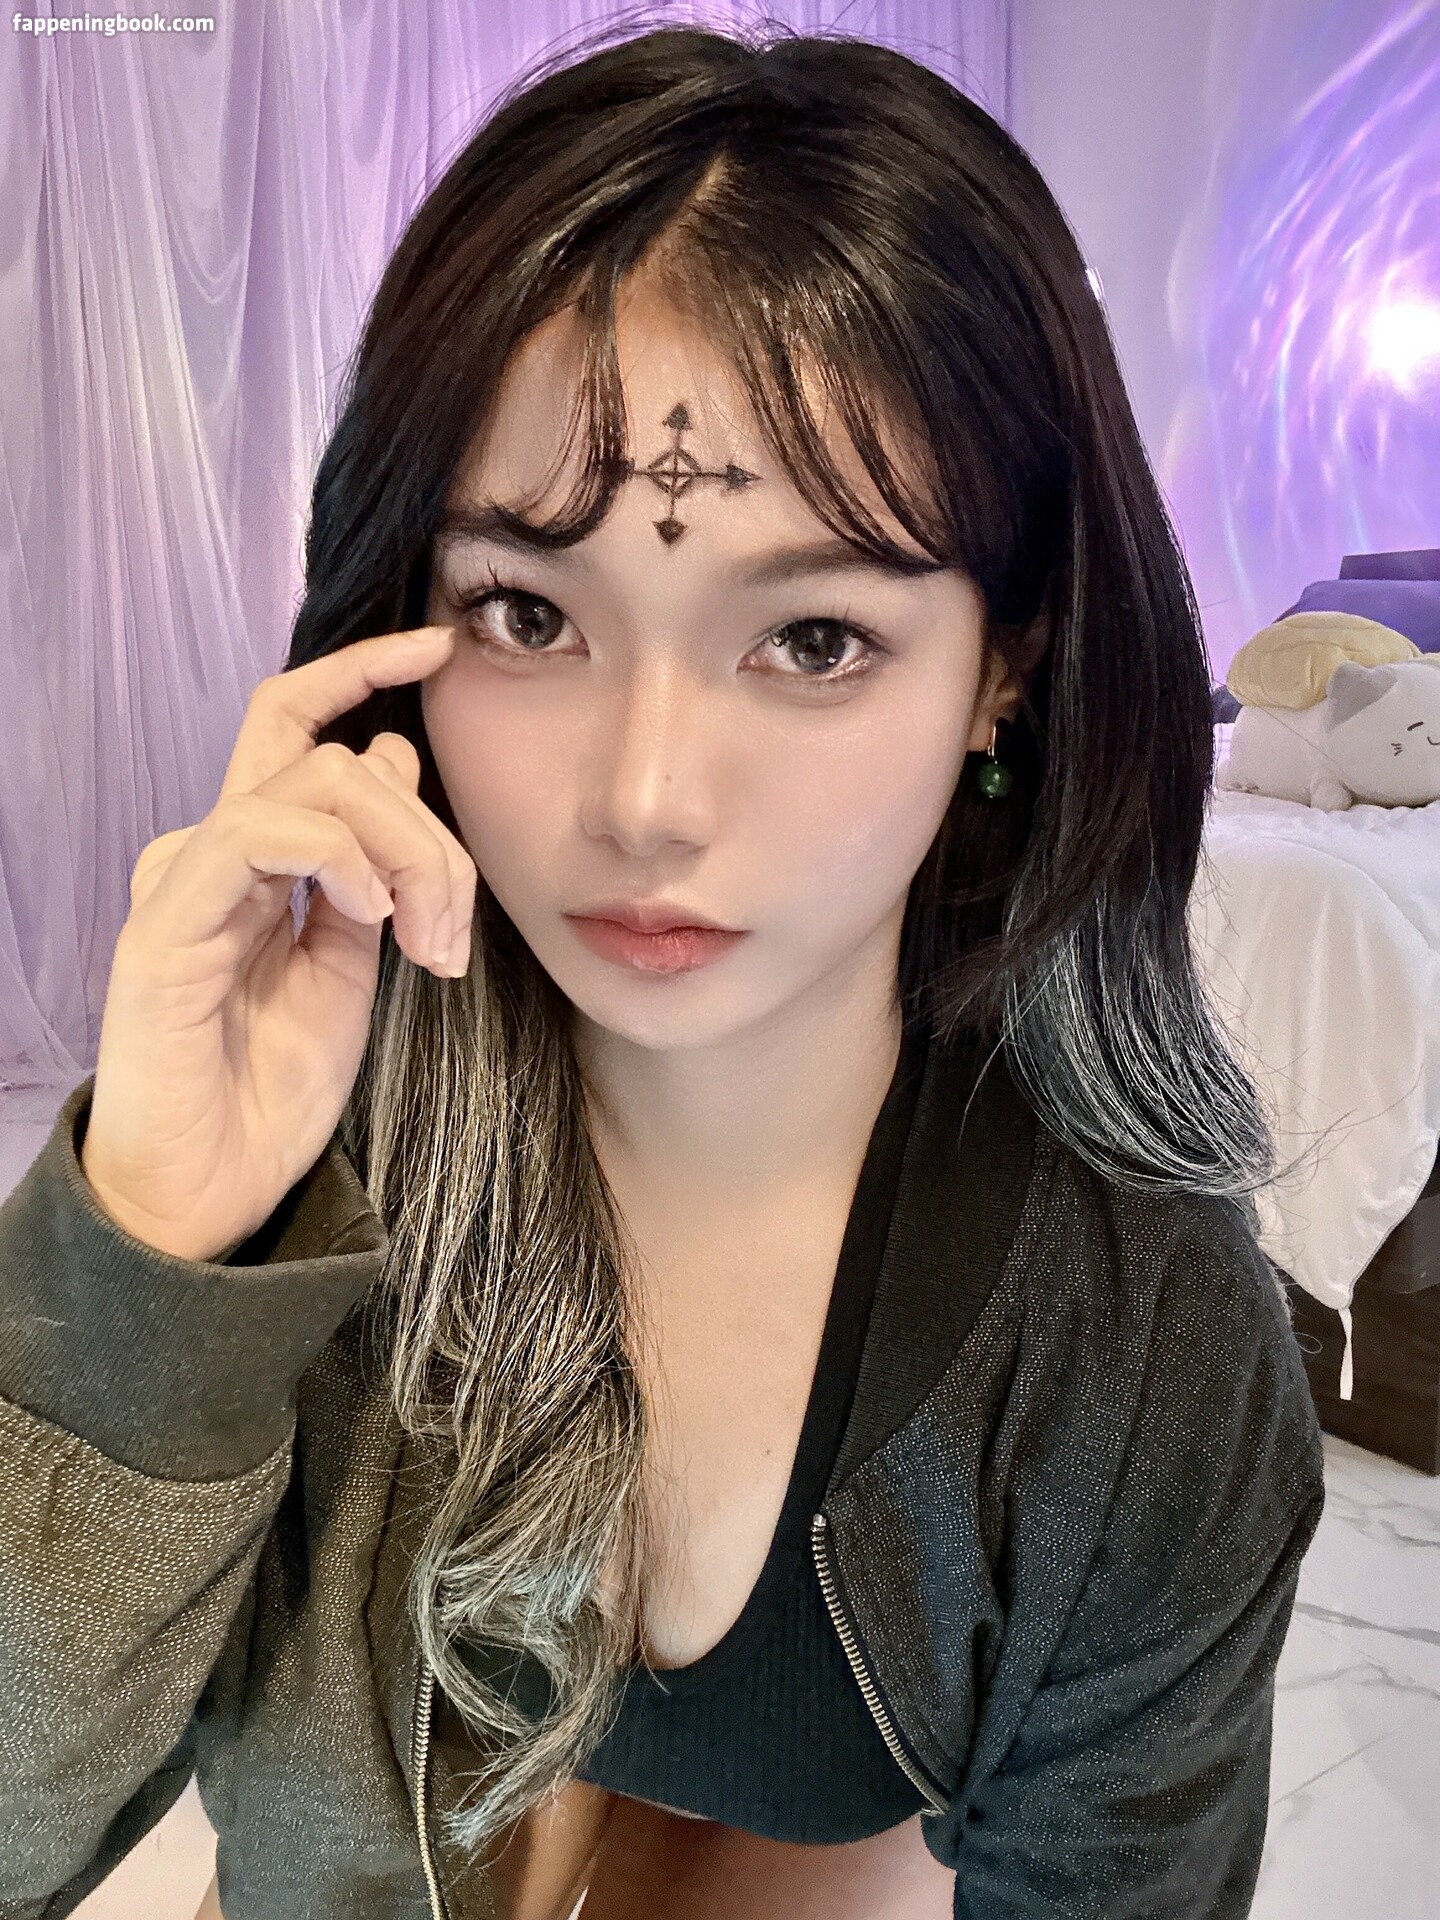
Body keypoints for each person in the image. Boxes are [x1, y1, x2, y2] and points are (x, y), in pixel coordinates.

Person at [0, 25, 1324, 1920]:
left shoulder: (1135, 1347)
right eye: (528, 613)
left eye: (811, 640)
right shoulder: (319, 1142)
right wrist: (145, 1248)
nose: (642, 801)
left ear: (1006, 669)